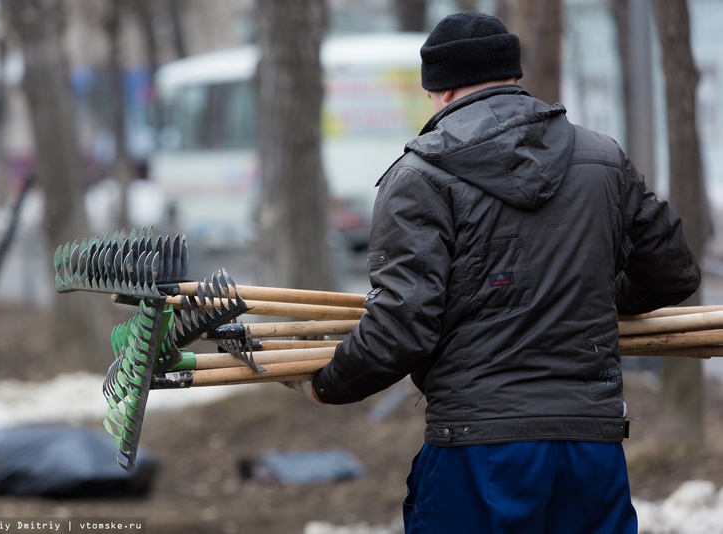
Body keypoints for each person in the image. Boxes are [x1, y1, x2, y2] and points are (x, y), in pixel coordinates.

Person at [283, 11, 701, 533]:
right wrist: (581, 292)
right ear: (513, 75)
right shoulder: (604, 158)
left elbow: (402, 325)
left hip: (479, 449)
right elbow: (673, 273)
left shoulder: (420, 176)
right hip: (591, 449)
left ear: (440, 90)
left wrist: (329, 384)